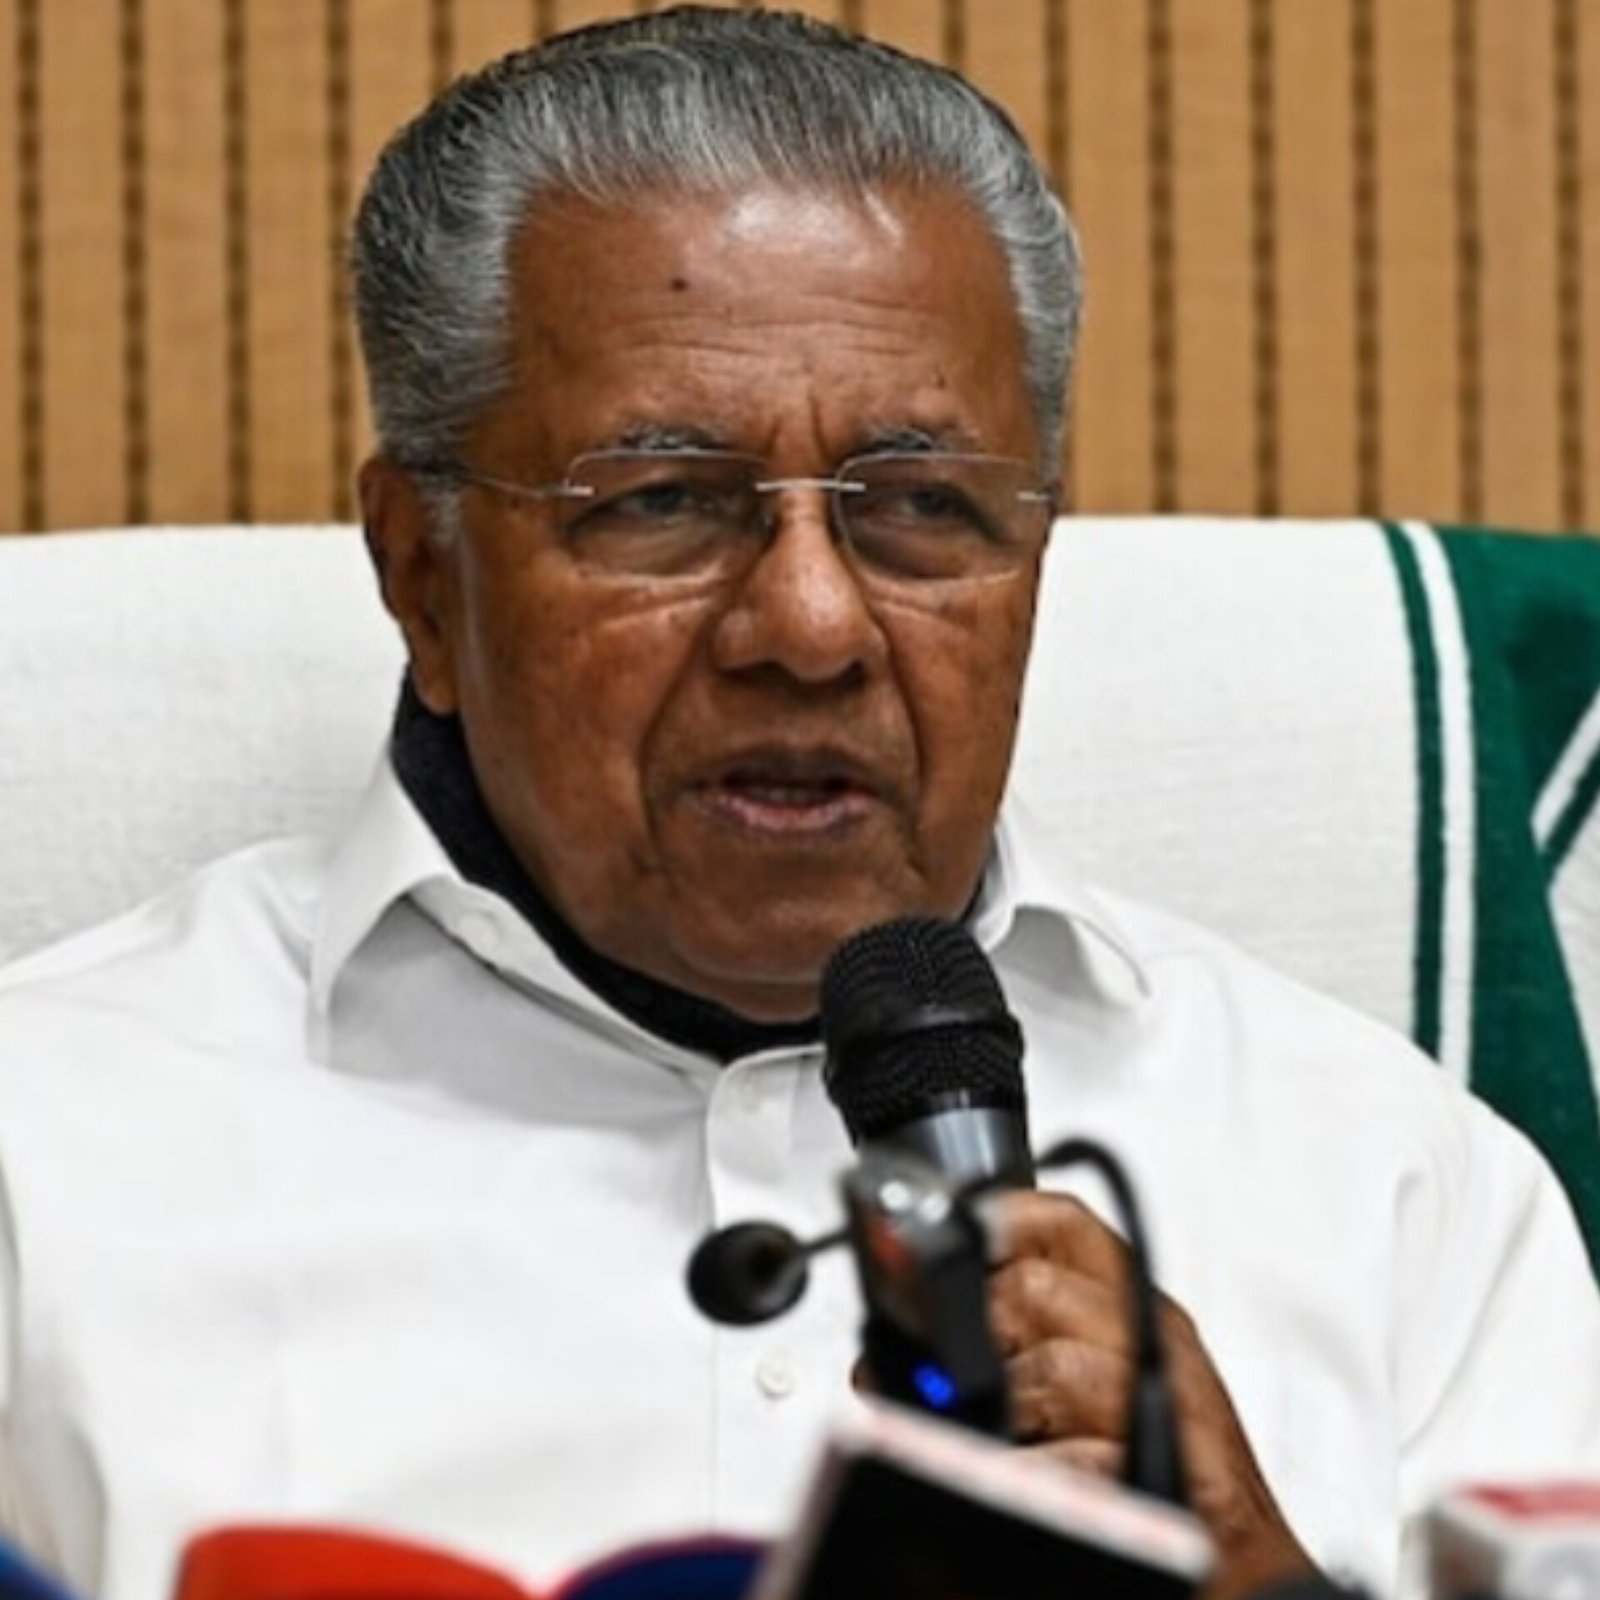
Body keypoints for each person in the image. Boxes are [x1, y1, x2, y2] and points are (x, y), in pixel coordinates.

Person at [1, 9, 1597, 1600]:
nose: (812, 628)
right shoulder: (49, 1164)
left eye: (921, 508)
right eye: (662, 502)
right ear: (422, 572)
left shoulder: (1390, 1187)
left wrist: (1270, 1584)